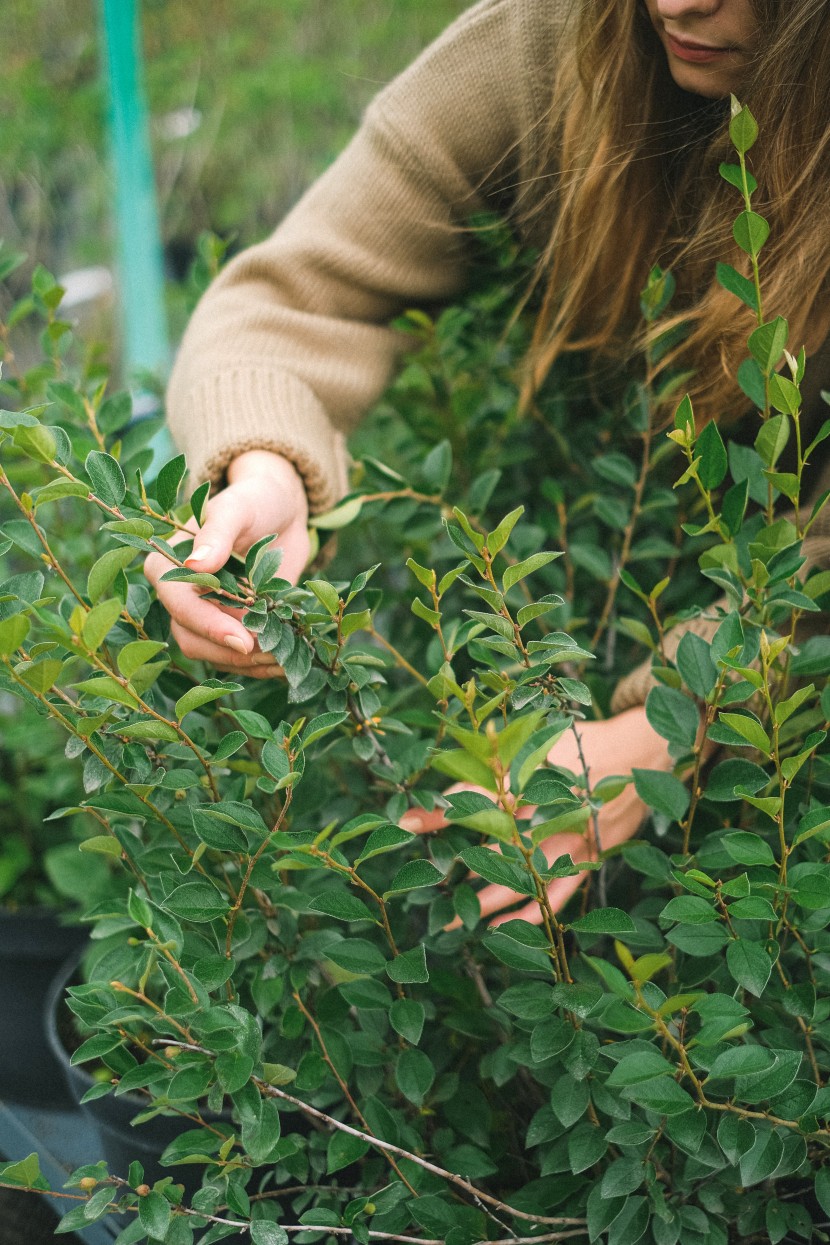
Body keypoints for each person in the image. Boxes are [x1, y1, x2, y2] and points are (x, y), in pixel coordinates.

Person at [145, 0, 830, 919]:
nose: (676, 3)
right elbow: (293, 298)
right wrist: (264, 470)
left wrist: (665, 730)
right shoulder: (557, 40)